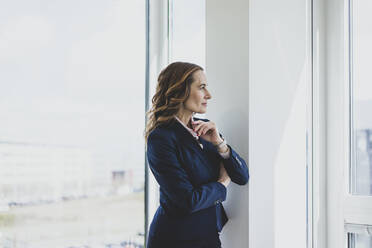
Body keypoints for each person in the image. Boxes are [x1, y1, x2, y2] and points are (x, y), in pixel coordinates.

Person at [144, 62, 249, 248]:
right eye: (201, 87)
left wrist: (220, 144)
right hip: (174, 239)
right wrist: (221, 184)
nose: (209, 95)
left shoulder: (206, 128)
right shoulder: (160, 139)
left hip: (207, 235)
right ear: (180, 91)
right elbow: (187, 201)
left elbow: (242, 177)